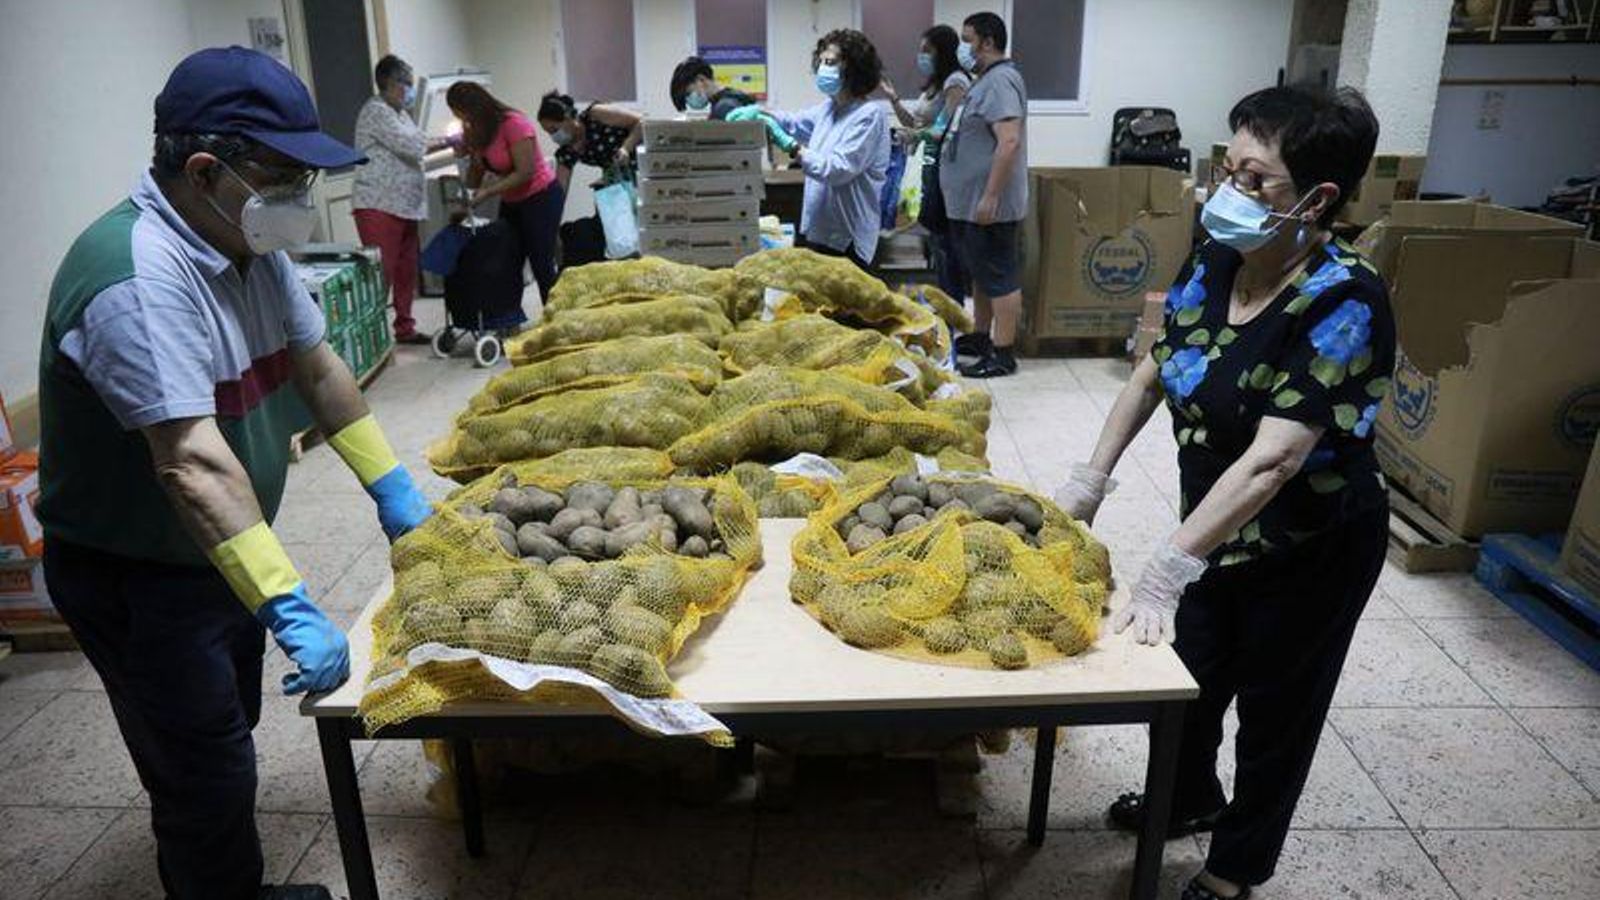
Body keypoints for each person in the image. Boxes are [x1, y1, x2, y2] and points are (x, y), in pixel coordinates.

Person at [35, 47, 433, 900]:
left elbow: (319, 369)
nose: (297, 199)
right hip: (138, 570)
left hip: (222, 549)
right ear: (205, 171)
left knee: (228, 721)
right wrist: (290, 604)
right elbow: (191, 463)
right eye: (282, 178)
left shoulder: (251, 251)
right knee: (202, 763)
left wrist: (392, 488)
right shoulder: (137, 277)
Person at [1056, 86, 1391, 900]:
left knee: (1277, 710)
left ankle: (1236, 867)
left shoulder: (1345, 300)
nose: (1228, 192)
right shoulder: (1215, 259)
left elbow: (1275, 461)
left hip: (1308, 541)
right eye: (1226, 169)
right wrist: (1089, 482)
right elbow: (1153, 369)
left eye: (1254, 179)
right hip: (1214, 527)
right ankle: (1187, 800)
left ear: (1318, 199)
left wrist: (1171, 564)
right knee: (1191, 679)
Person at [729, 29, 891, 268]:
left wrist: (791, 147)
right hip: (820, 232)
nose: (823, 68)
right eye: (821, 62)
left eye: (831, 62)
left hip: (847, 240)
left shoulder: (869, 115)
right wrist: (760, 112)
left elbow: (836, 170)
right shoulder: (829, 109)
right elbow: (793, 122)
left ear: (854, 68)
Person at [942, 11, 1027, 378]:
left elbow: (1009, 142)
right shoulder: (985, 81)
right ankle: (981, 336)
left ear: (988, 42)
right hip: (973, 203)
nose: (962, 47)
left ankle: (1004, 353)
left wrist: (991, 196)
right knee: (982, 275)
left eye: (967, 40)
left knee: (999, 277)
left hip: (990, 205)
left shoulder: (1001, 81)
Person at [352, 54, 450, 344]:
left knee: (406, 271)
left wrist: (447, 143)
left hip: (405, 206)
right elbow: (412, 145)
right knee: (380, 274)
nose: (409, 89)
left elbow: (418, 142)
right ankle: (372, 337)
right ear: (390, 83)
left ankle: (404, 327)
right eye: (406, 83)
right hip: (379, 204)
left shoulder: (400, 114)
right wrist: (450, 141)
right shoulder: (376, 111)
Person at [448, 81, 562, 315]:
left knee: (541, 263)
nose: (463, 120)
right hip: (512, 200)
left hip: (540, 197)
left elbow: (525, 171)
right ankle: (509, 320)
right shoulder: (476, 129)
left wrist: (488, 192)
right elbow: (477, 169)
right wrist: (466, 200)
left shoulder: (514, 124)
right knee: (506, 261)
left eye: (463, 113)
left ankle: (556, 319)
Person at [880, 24, 971, 310]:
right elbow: (915, 123)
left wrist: (916, 136)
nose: (922, 56)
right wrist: (893, 99)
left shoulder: (956, 81)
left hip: (948, 170)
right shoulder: (934, 84)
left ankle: (954, 306)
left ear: (942, 51)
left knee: (946, 244)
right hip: (930, 168)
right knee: (937, 240)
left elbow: (942, 128)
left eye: (927, 50)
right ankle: (944, 303)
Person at [536, 91, 644, 194]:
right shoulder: (567, 153)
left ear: (567, 117)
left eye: (554, 129)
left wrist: (626, 148)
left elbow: (642, 121)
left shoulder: (596, 114)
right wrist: (608, 178)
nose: (554, 136)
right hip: (626, 182)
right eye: (549, 133)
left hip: (647, 166)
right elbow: (560, 192)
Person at [669, 56, 757, 120]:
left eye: (688, 93)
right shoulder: (734, 98)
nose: (690, 100)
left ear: (701, 80)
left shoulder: (724, 108)